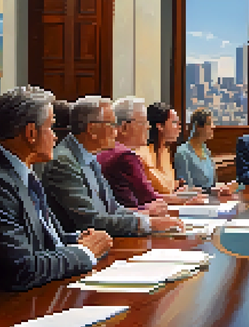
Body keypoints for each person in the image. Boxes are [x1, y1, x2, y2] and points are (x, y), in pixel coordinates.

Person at [0, 86, 113, 312]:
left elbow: (45, 238)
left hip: (28, 299)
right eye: (51, 126)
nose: (55, 135)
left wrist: (78, 239)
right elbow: (18, 269)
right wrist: (84, 252)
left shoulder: (19, 170)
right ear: (31, 133)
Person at [40, 96, 184, 236]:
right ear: (92, 129)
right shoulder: (64, 162)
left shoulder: (88, 155)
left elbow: (113, 208)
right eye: (112, 124)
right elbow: (90, 221)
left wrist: (147, 220)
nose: (116, 131)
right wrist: (148, 224)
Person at [97, 97, 202, 215]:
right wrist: (184, 201)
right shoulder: (124, 155)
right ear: (125, 127)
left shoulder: (107, 151)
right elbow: (148, 197)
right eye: (143, 122)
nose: (148, 127)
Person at [174, 107, 237, 194]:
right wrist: (210, 191)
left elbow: (212, 183)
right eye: (209, 123)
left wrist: (224, 187)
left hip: (211, 200)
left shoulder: (206, 151)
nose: (213, 127)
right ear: (198, 127)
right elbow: (185, 190)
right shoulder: (183, 153)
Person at [135, 102, 188, 195]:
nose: (179, 127)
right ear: (160, 126)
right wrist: (173, 187)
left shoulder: (165, 151)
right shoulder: (142, 153)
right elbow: (162, 187)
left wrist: (176, 185)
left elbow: (168, 186)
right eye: (174, 122)